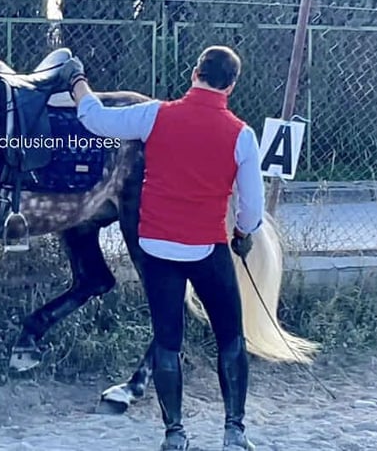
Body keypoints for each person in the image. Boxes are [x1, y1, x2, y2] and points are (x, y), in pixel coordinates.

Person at [65, 46, 264, 451]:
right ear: (232, 85)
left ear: (195, 74)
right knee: (231, 340)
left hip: (156, 248)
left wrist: (78, 83)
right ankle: (234, 432)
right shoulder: (242, 135)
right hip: (208, 249)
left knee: (168, 342)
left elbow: (96, 119)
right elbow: (252, 209)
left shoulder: (155, 114)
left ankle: (174, 435)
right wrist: (243, 233)